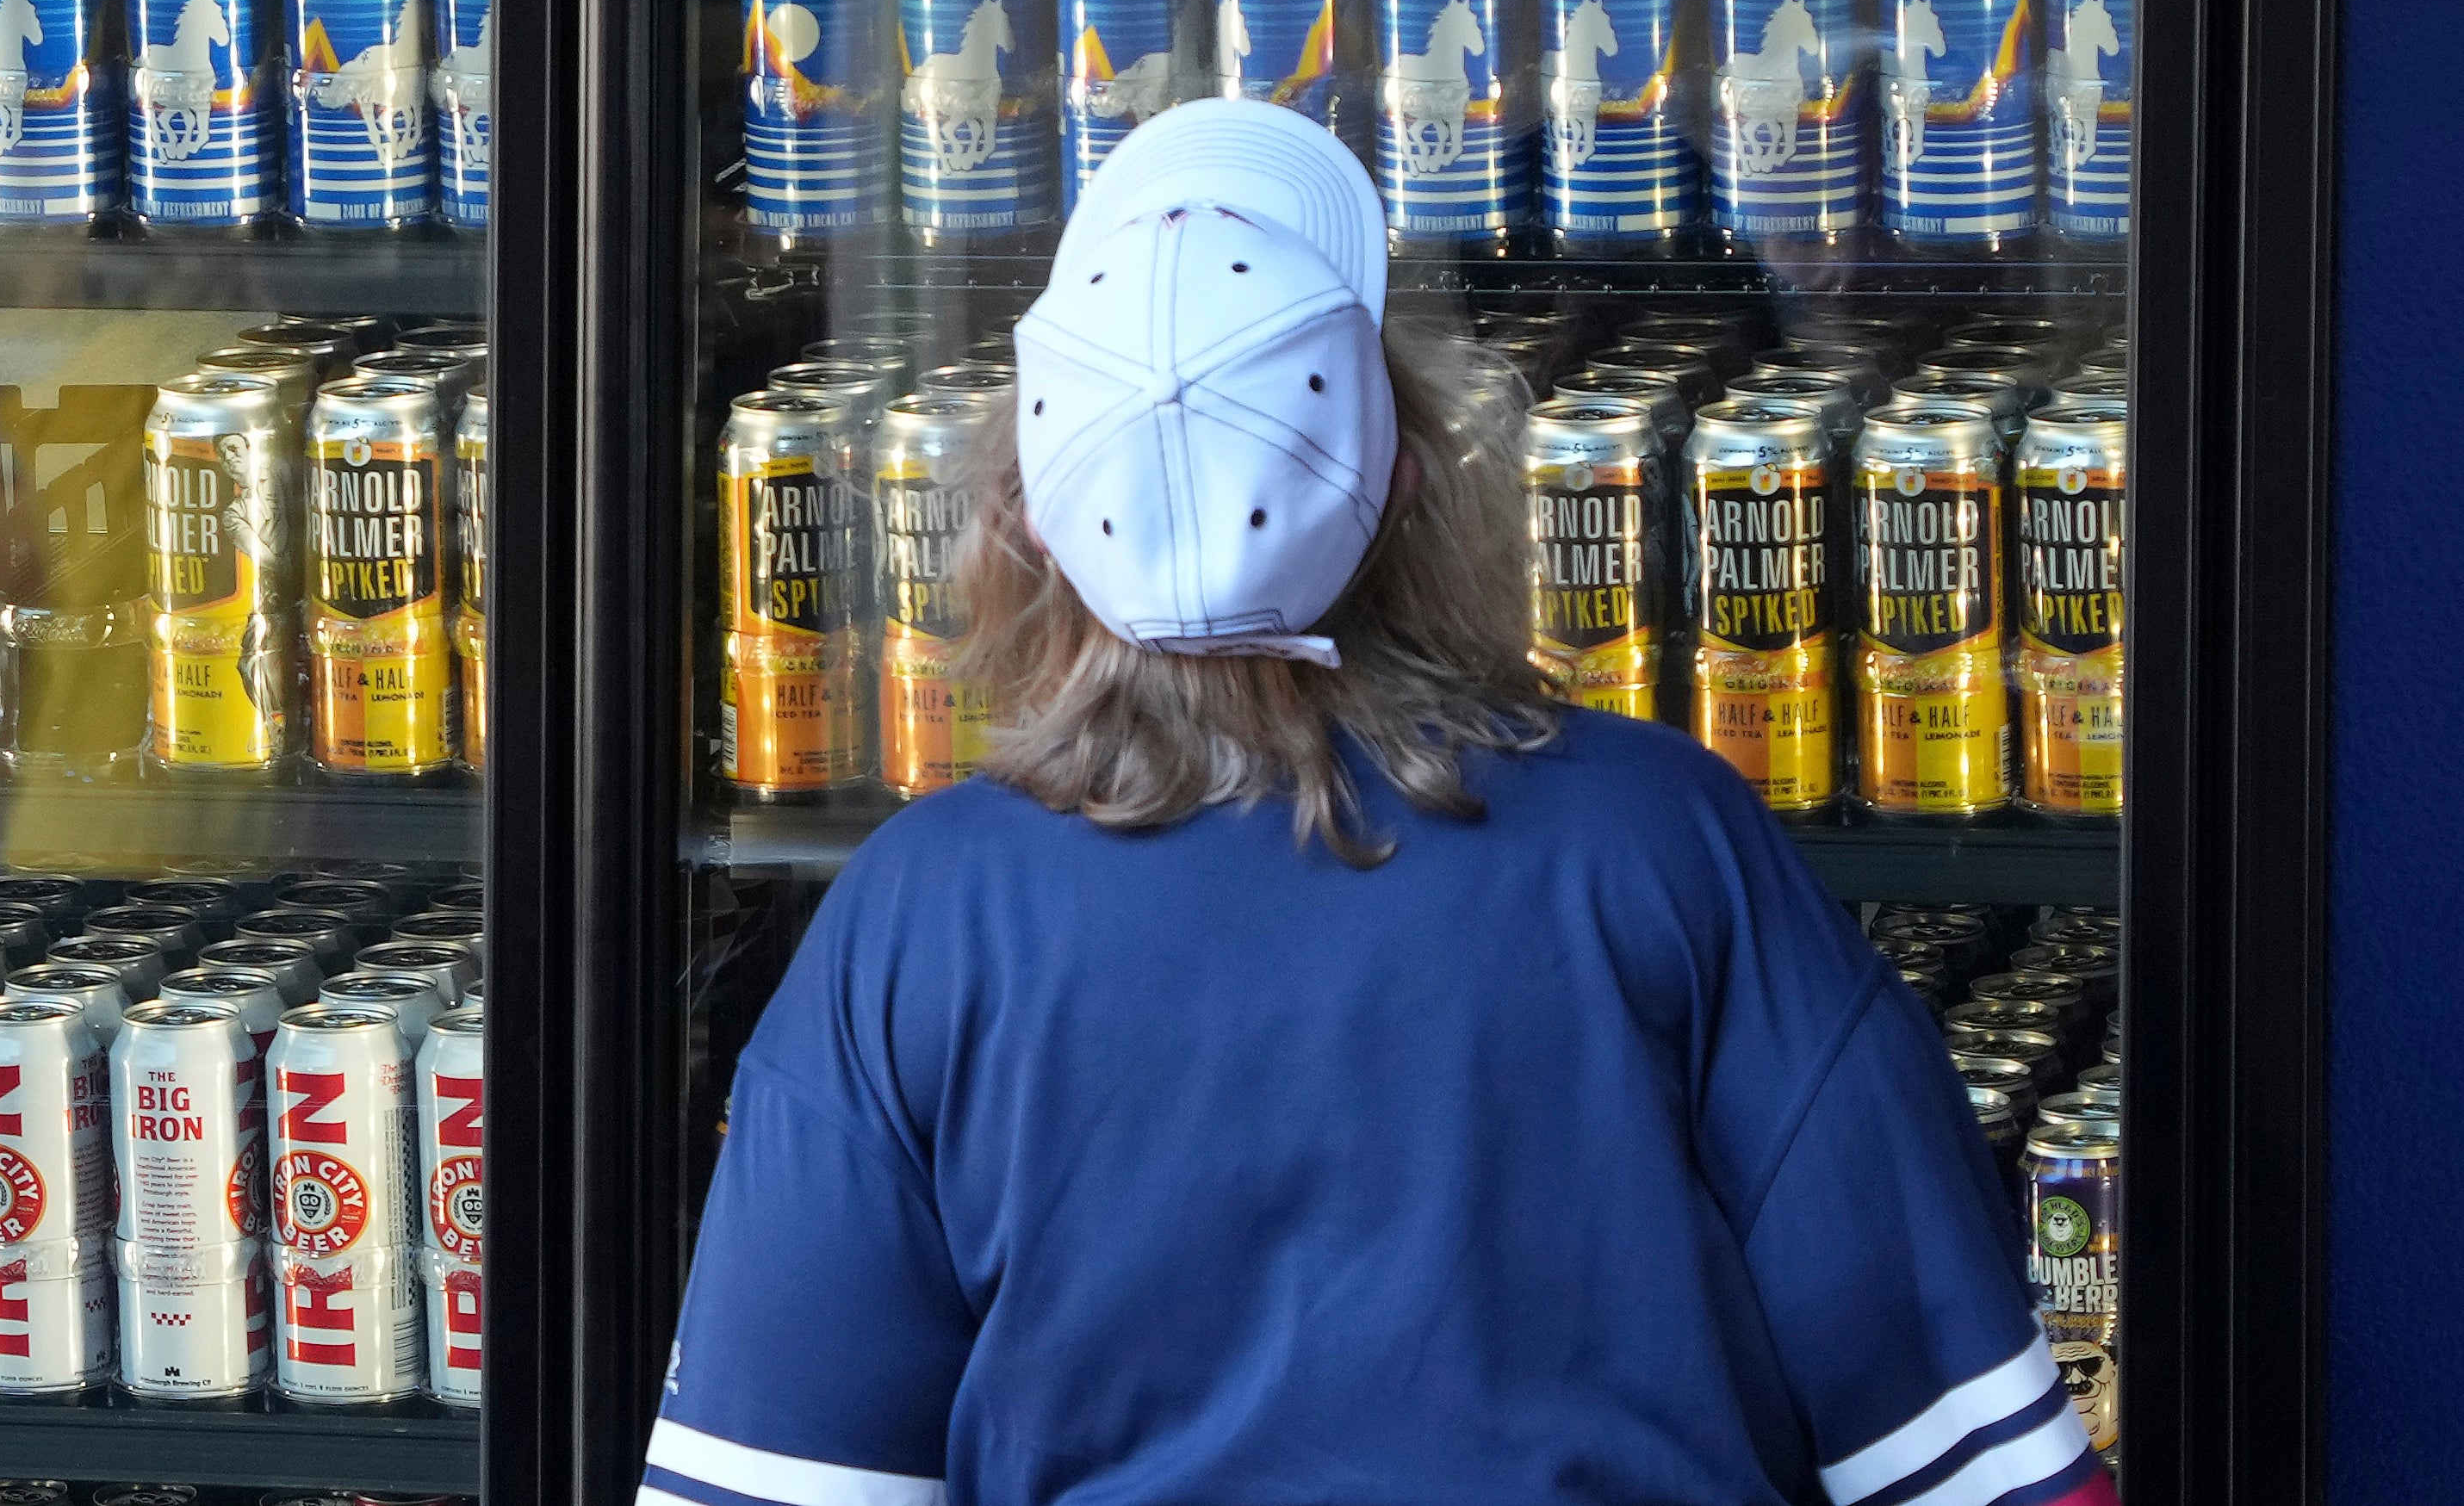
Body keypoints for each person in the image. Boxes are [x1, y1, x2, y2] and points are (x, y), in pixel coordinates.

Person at [639, 100, 2109, 1506]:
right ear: (1407, 479)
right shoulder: (1662, 840)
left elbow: (774, 1469)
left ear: (1021, 512)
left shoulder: (919, 916)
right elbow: (1968, 1454)